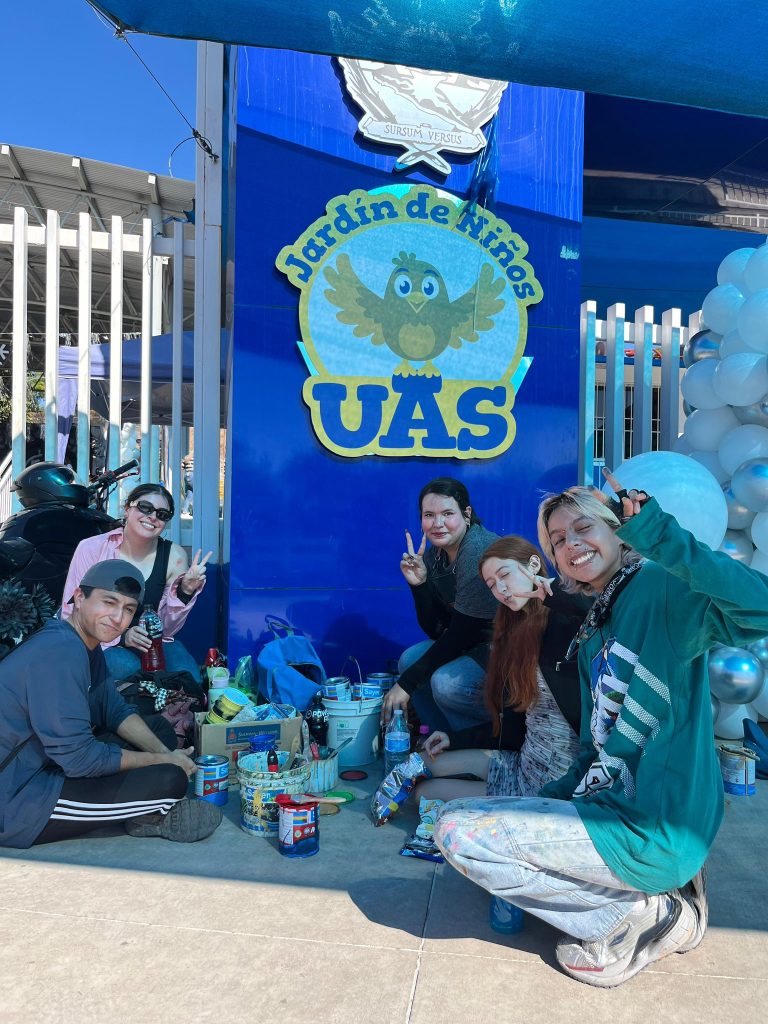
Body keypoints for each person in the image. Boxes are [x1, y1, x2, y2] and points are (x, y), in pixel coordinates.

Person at [434, 472, 768, 988]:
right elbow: (597, 749)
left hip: (658, 828)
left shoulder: (659, 587)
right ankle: (646, 895)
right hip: (609, 808)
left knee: (458, 834)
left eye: (583, 528)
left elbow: (759, 607)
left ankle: (653, 916)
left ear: (617, 530)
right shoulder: (596, 631)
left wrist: (658, 533)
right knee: (468, 818)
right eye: (558, 539)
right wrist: (544, 801)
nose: (571, 544)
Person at [0, 559, 221, 848]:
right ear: (80, 597)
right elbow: (81, 759)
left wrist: (164, 751)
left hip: (46, 762)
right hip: (16, 797)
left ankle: (137, 807)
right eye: (108, 602)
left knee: (159, 731)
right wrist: (164, 760)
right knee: (170, 780)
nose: (117, 618)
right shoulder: (61, 652)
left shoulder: (81, 643)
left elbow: (113, 709)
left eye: (128, 609)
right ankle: (146, 816)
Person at [415, 535, 586, 803]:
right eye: (492, 584)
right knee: (421, 767)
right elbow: (511, 728)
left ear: (533, 565)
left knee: (424, 795)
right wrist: (454, 739)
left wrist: (556, 593)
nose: (501, 589)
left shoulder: (568, 622)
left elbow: (600, 606)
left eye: (505, 574)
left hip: (552, 785)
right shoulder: (512, 630)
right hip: (523, 761)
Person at [61, 482, 211, 681]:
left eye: (162, 514)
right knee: (127, 669)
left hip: (152, 643)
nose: (152, 517)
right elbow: (72, 612)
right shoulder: (92, 548)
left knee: (188, 677)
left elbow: (166, 630)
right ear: (127, 509)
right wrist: (122, 637)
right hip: (100, 641)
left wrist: (185, 591)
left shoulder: (174, 557)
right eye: (145, 507)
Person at [382, 477, 499, 732]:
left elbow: (460, 634)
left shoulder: (477, 550)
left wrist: (406, 684)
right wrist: (420, 585)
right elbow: (436, 630)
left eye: (447, 514)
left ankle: (482, 743)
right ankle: (439, 737)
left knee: (447, 684)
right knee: (409, 660)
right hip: (471, 642)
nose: (437, 524)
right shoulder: (435, 554)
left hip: (504, 648)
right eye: (429, 515)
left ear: (466, 514)